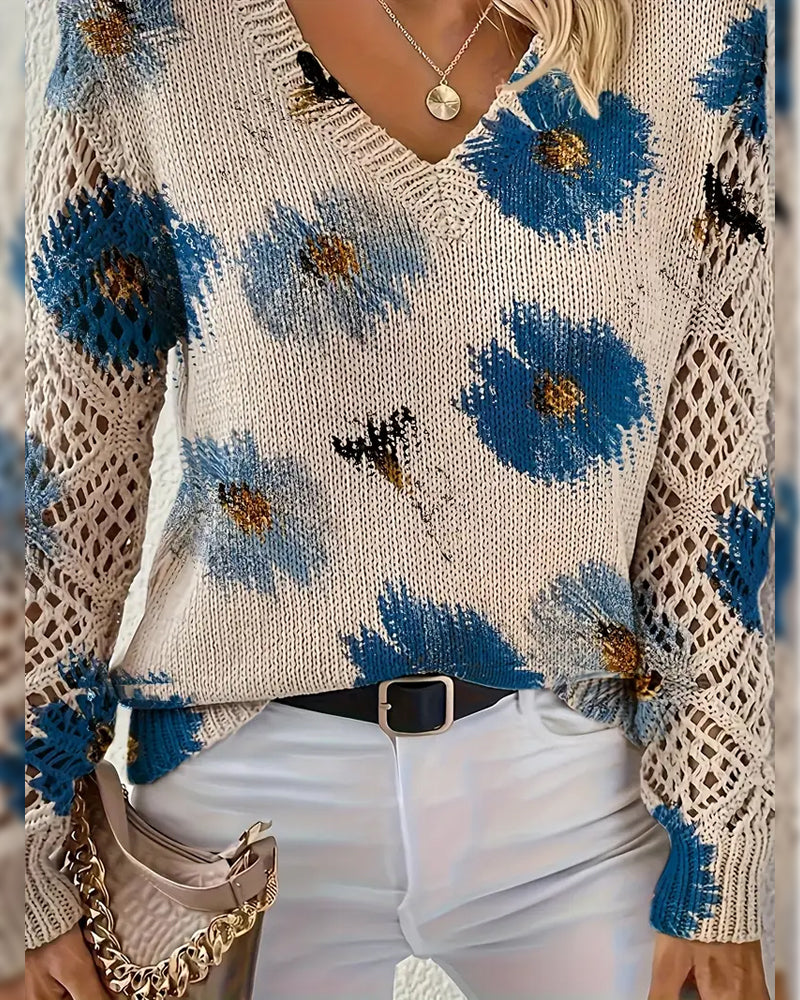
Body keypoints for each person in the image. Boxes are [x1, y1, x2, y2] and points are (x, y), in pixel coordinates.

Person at [23, 0, 774, 997]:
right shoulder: (147, 30)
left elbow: (715, 495)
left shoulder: (696, 34)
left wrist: (721, 854)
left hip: (581, 793)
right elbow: (63, 486)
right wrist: (22, 860)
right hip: (232, 811)